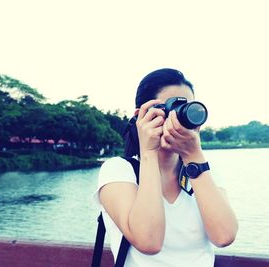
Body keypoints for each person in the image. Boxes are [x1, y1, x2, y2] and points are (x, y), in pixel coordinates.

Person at [94, 68, 238, 266]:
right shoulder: (119, 170)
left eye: (186, 109)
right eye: (169, 109)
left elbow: (224, 236)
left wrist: (193, 156)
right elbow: (149, 241)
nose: (177, 119)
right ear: (140, 115)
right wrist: (149, 152)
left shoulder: (203, 172)